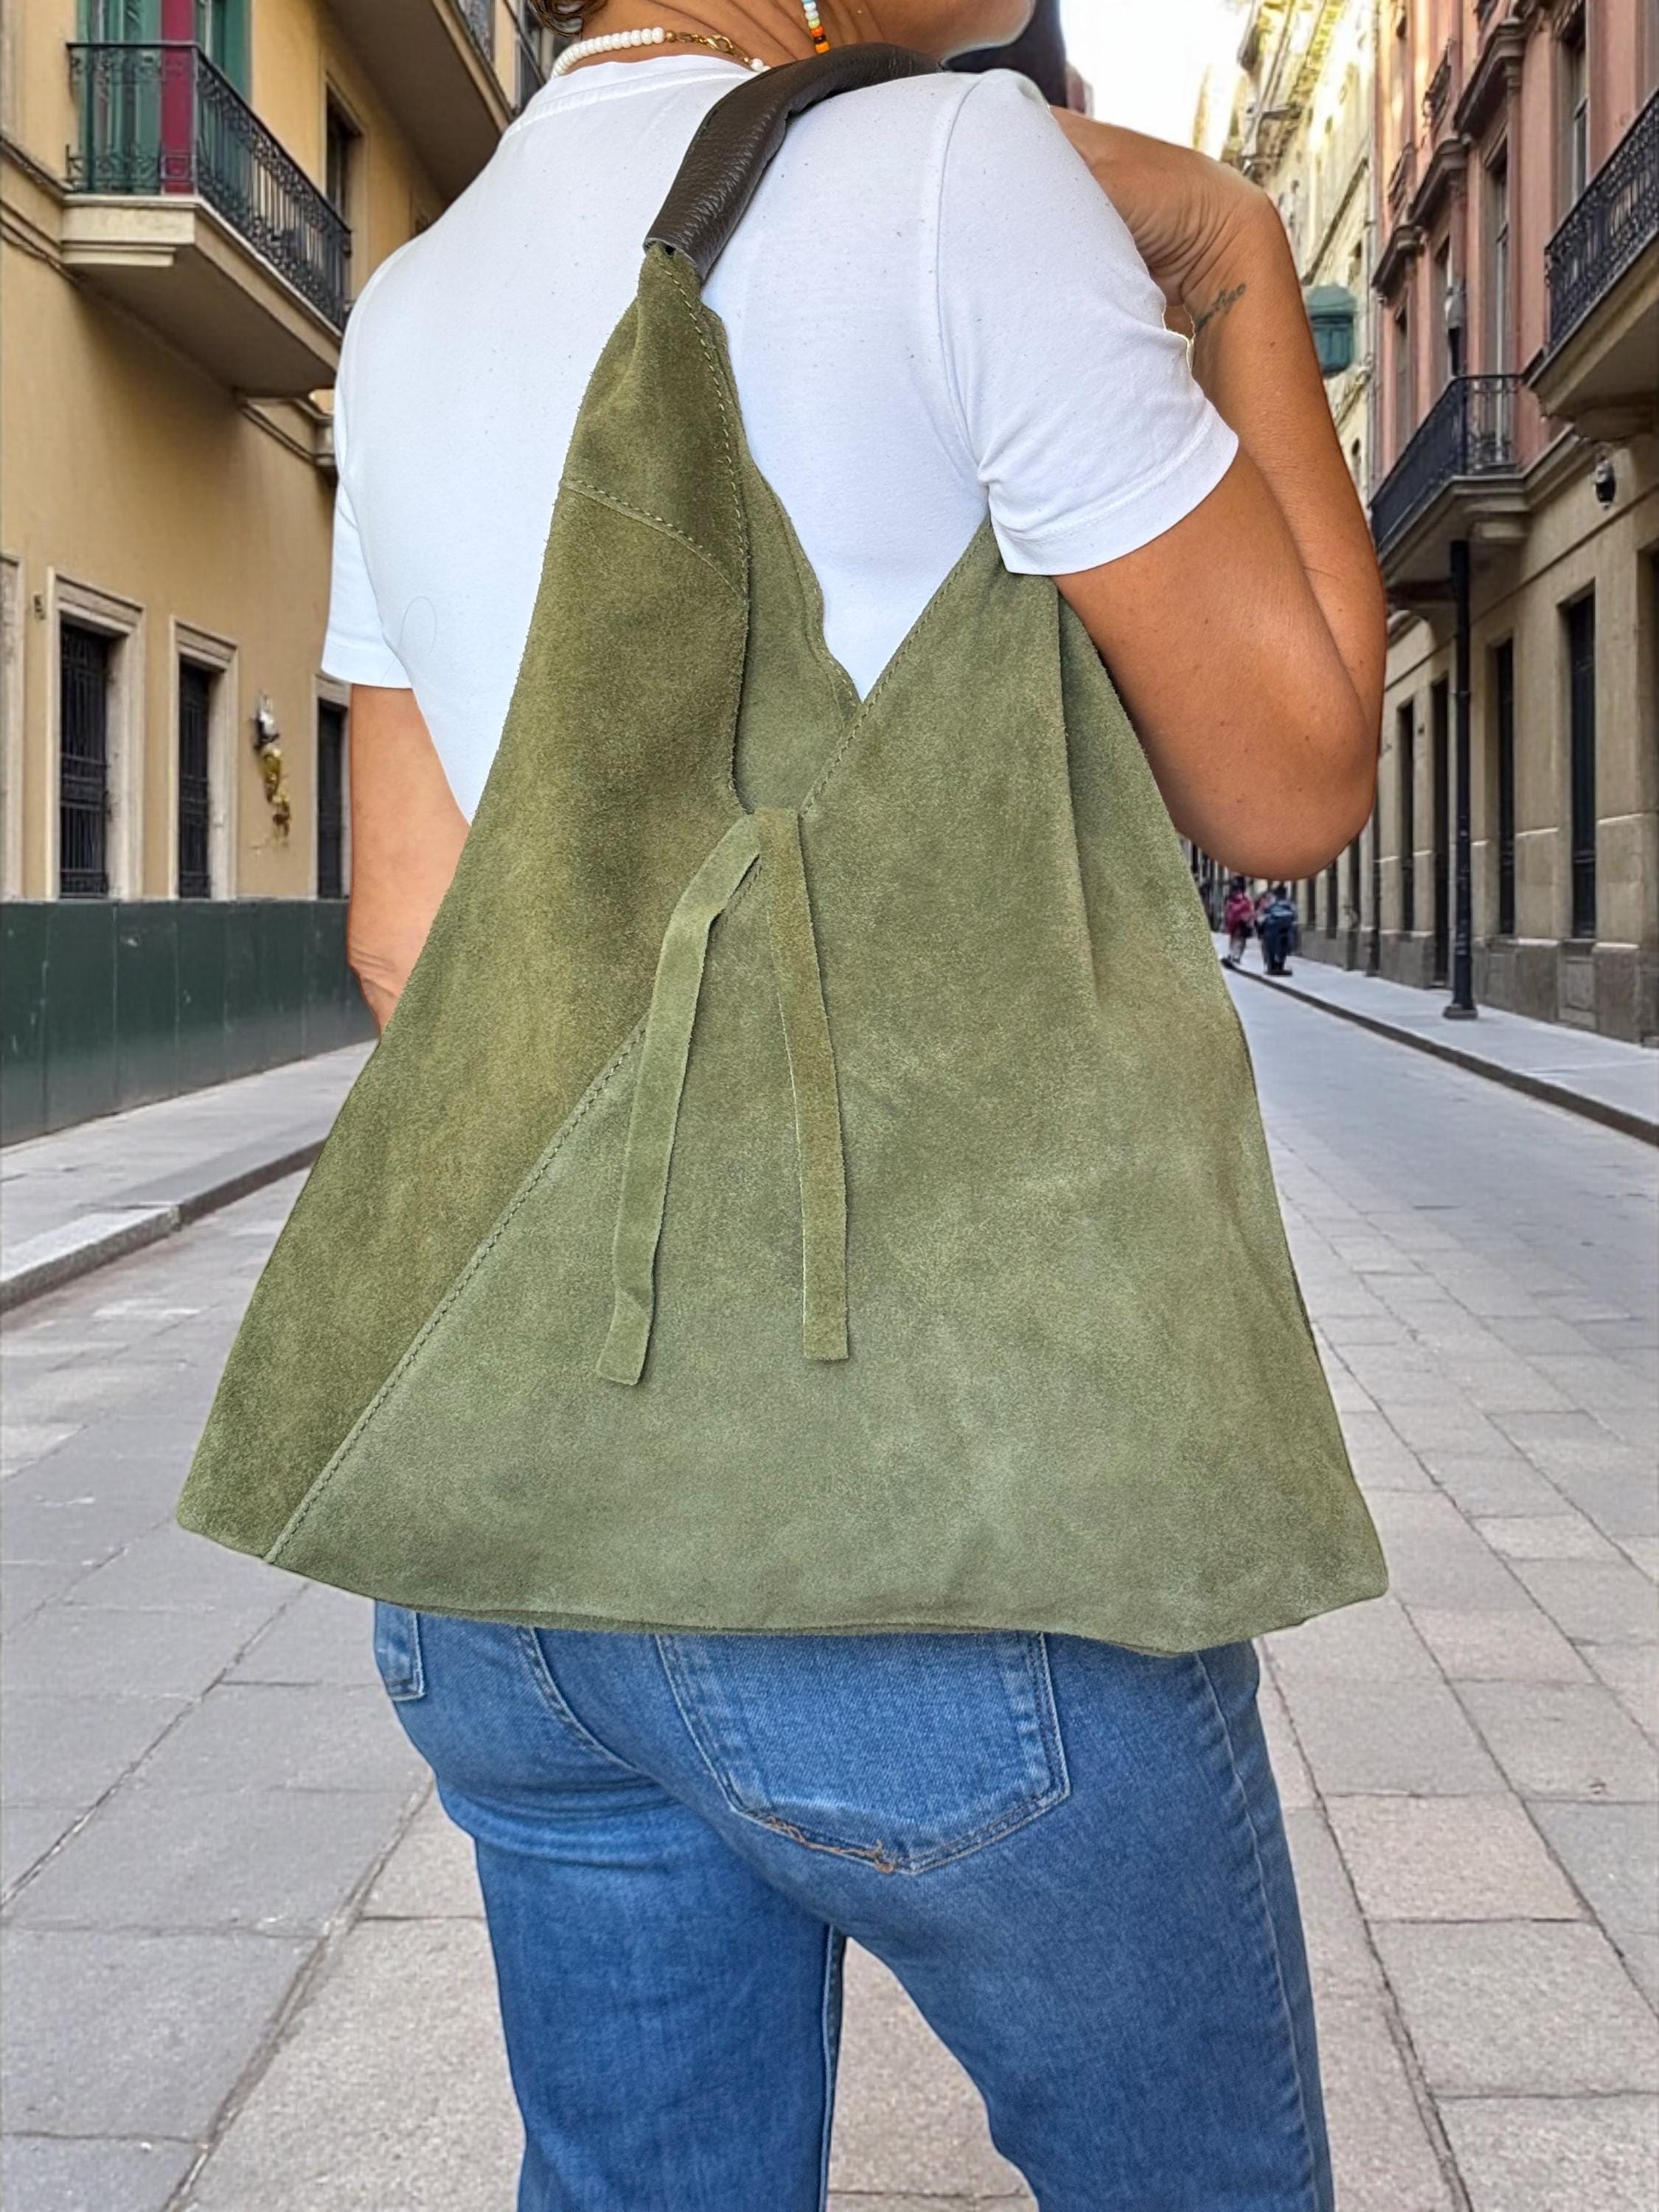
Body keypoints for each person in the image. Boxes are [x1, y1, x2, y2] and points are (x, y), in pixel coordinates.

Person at [320, 4, 1383, 2205]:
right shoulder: (950, 173)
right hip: (939, 1535)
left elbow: (407, 935)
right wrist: (1244, 256)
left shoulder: (405, 306)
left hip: (521, 1557)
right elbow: (1293, 775)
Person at [1261, 883, 1299, 976]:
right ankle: (1280, 965)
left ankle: (1273, 966)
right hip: (1284, 932)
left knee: (1271, 949)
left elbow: (1264, 915)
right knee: (1283, 949)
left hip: (1272, 932)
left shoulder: (1272, 904)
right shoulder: (1289, 904)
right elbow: (1294, 916)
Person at [1223, 874, 1256, 967]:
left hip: (1238, 922)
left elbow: (1229, 911)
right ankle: (1235, 956)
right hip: (1240, 922)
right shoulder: (1246, 900)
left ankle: (1234, 956)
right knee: (1240, 940)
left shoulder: (1233, 900)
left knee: (1236, 939)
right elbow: (1251, 910)